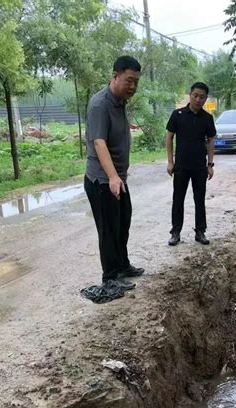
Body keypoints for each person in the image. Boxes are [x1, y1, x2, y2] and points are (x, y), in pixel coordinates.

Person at [83, 55, 144, 303]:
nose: (132, 86)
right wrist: (112, 177)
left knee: (123, 222)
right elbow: (99, 142)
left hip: (118, 178)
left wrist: (119, 177)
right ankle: (110, 276)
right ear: (115, 76)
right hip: (102, 180)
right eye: (129, 80)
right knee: (108, 229)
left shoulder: (120, 103)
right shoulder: (100, 105)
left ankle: (122, 265)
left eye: (136, 82)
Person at [166, 82, 216, 246]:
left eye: (202, 97)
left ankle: (200, 232)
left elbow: (210, 141)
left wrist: (210, 164)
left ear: (205, 98)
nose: (198, 99)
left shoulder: (207, 118)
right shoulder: (178, 114)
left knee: (199, 199)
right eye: (195, 95)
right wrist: (170, 162)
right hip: (181, 165)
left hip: (199, 167)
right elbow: (169, 138)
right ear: (190, 95)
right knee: (178, 199)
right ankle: (175, 232)